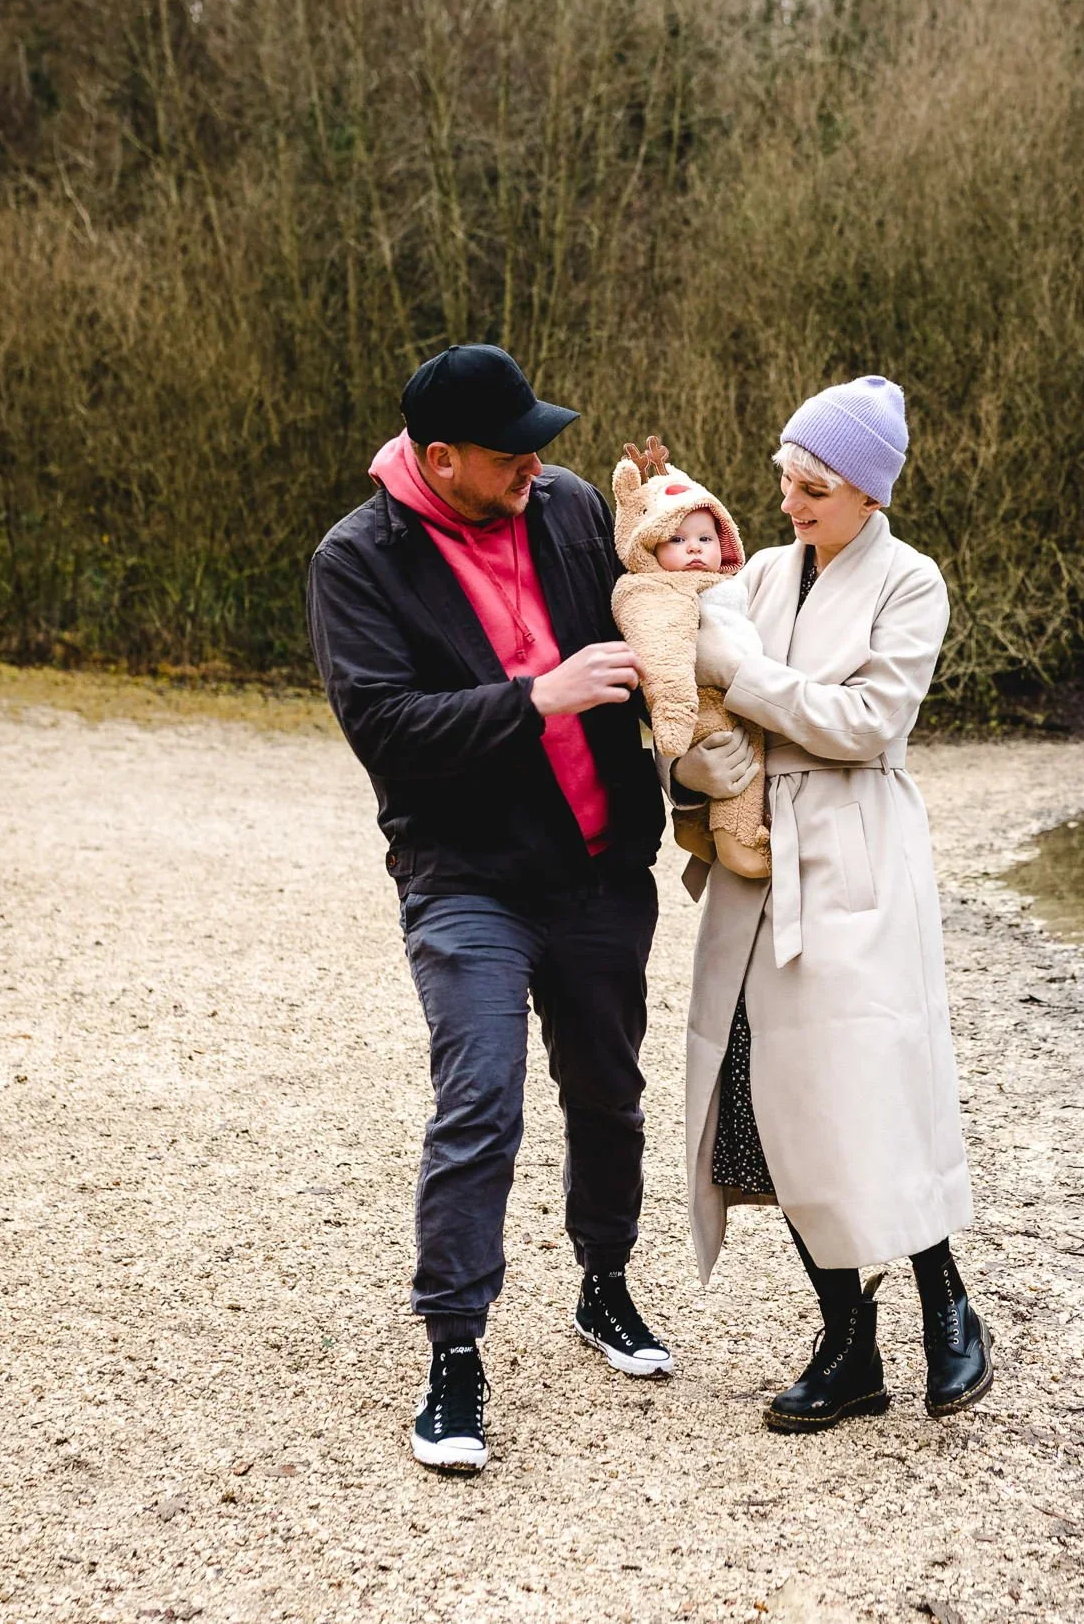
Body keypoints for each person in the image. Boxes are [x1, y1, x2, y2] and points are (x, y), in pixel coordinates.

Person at [305, 345, 760, 1473]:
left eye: (539, 446)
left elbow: (662, 605)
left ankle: (604, 1282)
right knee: (480, 1099)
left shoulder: (563, 507)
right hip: (464, 879)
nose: (536, 466)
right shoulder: (356, 560)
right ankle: (454, 1353)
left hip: (601, 871)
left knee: (608, 1093)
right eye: (511, 452)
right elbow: (386, 728)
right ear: (439, 458)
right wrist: (535, 698)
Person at [681, 375, 994, 1431]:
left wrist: (740, 675)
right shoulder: (762, 574)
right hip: (759, 864)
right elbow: (697, 694)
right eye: (786, 479)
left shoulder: (912, 581)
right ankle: (846, 1342)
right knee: (774, 1108)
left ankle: (947, 1304)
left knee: (872, 1090)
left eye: (812, 486)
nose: (789, 502)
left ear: (868, 491)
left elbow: (866, 722)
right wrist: (692, 765)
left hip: (857, 862)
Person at [607, 438, 770, 880]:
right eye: (676, 539)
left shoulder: (729, 583)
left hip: (738, 702)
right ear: (648, 546)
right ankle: (743, 847)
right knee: (739, 774)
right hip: (705, 708)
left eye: (705, 538)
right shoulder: (658, 592)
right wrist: (674, 722)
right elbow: (664, 656)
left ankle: (697, 824)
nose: (695, 548)